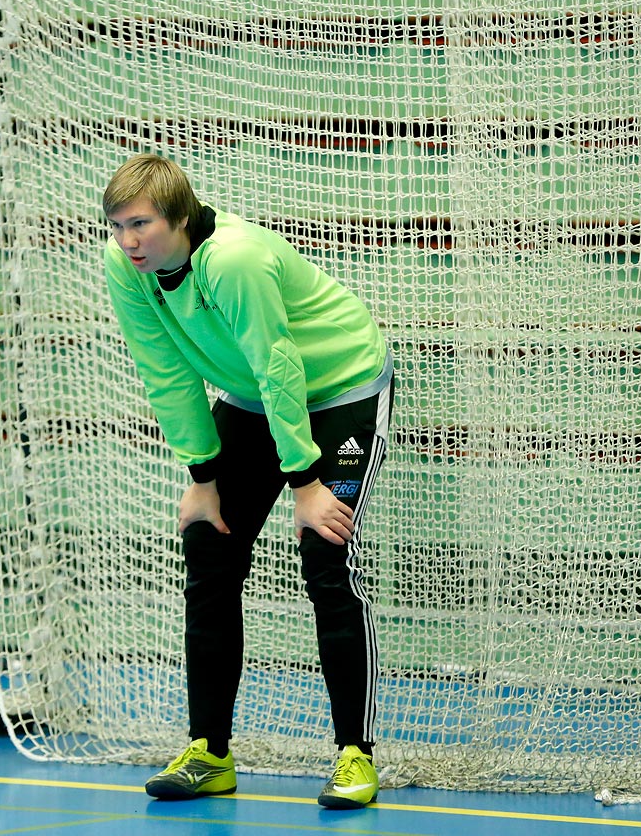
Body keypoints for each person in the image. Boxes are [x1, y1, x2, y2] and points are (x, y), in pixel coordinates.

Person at [103, 153, 393, 810]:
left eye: (141, 224)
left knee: (327, 552)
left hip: (340, 385)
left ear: (178, 217)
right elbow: (164, 370)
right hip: (250, 396)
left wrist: (306, 480)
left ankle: (355, 755)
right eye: (118, 226)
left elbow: (278, 363)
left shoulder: (233, 260)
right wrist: (202, 475)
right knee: (209, 546)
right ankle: (209, 750)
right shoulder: (126, 267)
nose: (128, 241)